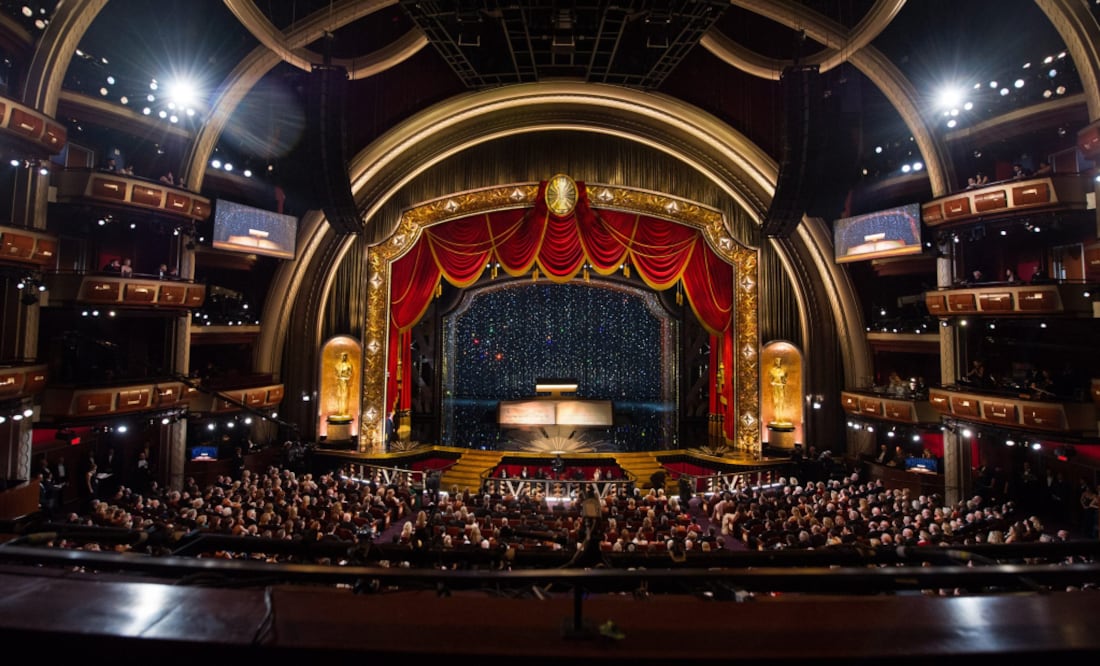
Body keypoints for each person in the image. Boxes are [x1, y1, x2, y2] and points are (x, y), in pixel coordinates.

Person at [769, 356, 789, 423]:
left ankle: (781, 418)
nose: (778, 362)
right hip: (776, 386)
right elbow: (771, 379)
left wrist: (784, 380)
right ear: (775, 362)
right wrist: (774, 381)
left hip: (781, 386)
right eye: (777, 361)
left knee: (781, 401)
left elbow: (784, 379)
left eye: (779, 361)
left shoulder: (782, 370)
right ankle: (777, 418)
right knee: (777, 402)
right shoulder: (773, 370)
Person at [333, 351, 354, 416]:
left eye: (345, 356)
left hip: (345, 382)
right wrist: (338, 378)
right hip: (339, 382)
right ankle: (339, 411)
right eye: (343, 356)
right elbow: (336, 373)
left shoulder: (348, 365)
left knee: (344, 396)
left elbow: (350, 374)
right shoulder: (337, 365)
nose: (344, 357)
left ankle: (344, 411)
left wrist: (346, 378)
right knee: (339, 396)